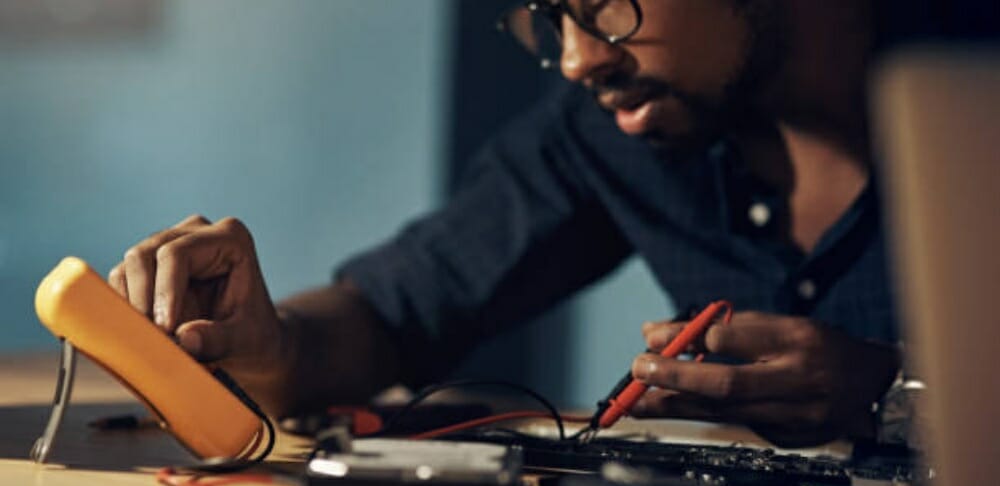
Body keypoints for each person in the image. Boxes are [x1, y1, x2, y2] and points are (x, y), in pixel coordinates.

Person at [108, 0, 905, 447]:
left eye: (603, 6)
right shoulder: (609, 131)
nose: (576, 60)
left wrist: (898, 395)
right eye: (549, 18)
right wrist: (269, 343)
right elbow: (396, 311)